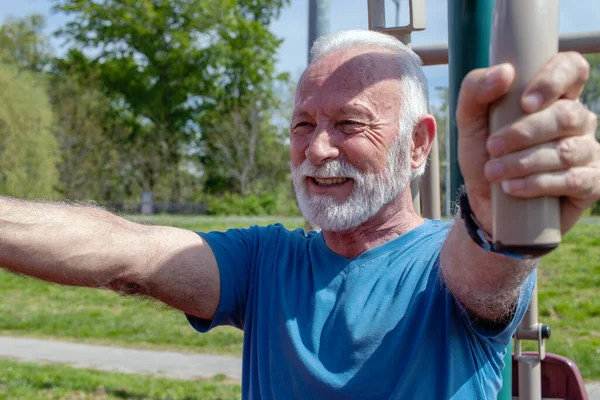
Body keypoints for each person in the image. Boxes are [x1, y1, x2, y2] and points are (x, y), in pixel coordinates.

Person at [1, 30, 598, 399]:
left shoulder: (446, 261)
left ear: (417, 145)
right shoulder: (265, 263)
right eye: (303, 125)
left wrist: (496, 217)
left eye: (350, 124)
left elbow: (485, 272)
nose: (317, 150)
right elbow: (128, 252)